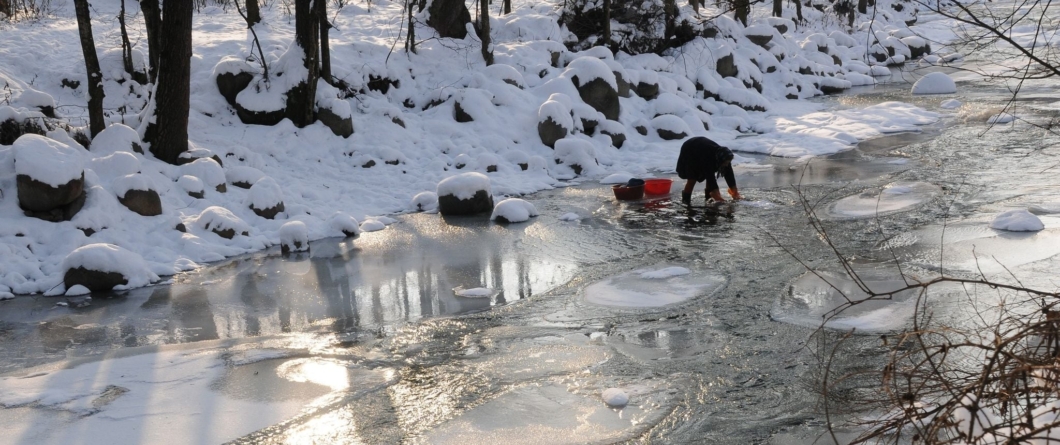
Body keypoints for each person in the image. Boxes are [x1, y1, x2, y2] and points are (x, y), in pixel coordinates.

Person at [675, 136, 742, 204]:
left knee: (711, 175)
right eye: (725, 163)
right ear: (720, 160)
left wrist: (734, 191)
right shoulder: (708, 159)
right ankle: (686, 201)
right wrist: (716, 193)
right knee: (692, 178)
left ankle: (708, 198)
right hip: (690, 149)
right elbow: (710, 176)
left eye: (728, 163)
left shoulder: (724, 155)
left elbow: (729, 174)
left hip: (703, 147)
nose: (727, 165)